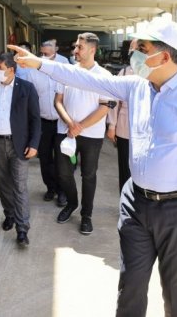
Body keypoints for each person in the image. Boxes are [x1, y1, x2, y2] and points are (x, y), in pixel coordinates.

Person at [8, 17, 177, 317]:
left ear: (164, 56)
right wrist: (40, 64)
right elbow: (85, 79)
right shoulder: (136, 86)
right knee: (130, 287)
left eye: (142, 49)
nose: (134, 55)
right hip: (136, 203)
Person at [0, 53, 41, 247]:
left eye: (0, 67)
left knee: (19, 186)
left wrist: (34, 144)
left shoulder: (27, 88)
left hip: (19, 144)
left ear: (11, 70)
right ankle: (10, 214)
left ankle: (22, 228)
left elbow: (35, 119)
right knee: (3, 184)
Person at [54, 32, 114, 235]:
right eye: (75, 47)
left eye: (80, 47)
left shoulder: (104, 76)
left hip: (92, 136)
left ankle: (86, 215)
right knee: (63, 173)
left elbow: (105, 107)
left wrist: (80, 126)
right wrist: (70, 124)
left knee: (88, 175)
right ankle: (72, 203)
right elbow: (58, 101)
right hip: (65, 132)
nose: (75, 51)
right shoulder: (66, 72)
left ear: (92, 50)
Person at [29, 41, 66, 206]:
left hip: (62, 122)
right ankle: (50, 188)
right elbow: (32, 97)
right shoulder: (34, 69)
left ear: (55, 51)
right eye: (42, 54)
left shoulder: (64, 66)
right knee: (45, 158)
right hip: (43, 122)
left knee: (62, 159)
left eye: (48, 54)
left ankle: (62, 191)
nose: (45, 57)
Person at [106, 39, 137, 192]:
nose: (133, 52)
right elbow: (113, 101)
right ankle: (125, 200)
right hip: (124, 129)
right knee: (125, 169)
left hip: (147, 132)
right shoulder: (124, 73)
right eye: (131, 49)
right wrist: (112, 125)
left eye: (138, 49)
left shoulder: (154, 74)